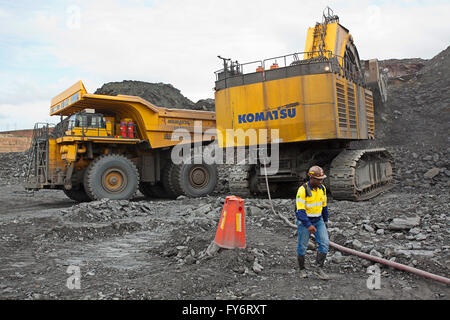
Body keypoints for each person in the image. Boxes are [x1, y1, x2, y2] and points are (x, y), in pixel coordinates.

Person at [295, 165, 330, 280]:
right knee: (302, 247)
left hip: (318, 220)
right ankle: (302, 269)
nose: (321, 181)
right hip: (305, 222)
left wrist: (325, 220)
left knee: (324, 243)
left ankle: (319, 269)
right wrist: (308, 225)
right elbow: (300, 211)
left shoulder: (322, 189)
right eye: (319, 179)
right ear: (312, 178)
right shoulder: (303, 190)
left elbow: (324, 207)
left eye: (322, 179)